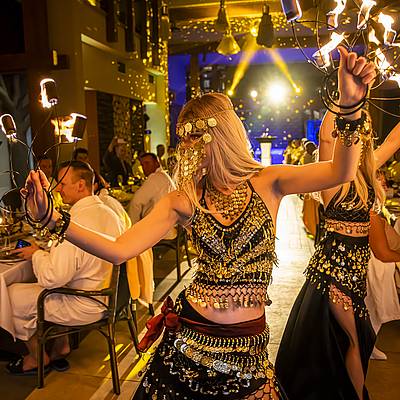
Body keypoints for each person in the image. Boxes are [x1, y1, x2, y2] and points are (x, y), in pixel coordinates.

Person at [23, 47, 374, 399]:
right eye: (184, 140)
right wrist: (53, 219)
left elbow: (340, 171)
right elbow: (118, 250)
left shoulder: (269, 181)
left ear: (218, 136)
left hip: (247, 351)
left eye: (193, 138)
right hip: (190, 345)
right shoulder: (185, 199)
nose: (186, 149)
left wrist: (349, 107)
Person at [276, 101, 400, 398]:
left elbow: (393, 141)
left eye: (363, 128)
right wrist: (344, 101)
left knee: (355, 341)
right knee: (355, 339)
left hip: (355, 275)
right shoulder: (332, 178)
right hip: (332, 272)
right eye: (353, 128)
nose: (359, 134)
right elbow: (325, 138)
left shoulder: (367, 174)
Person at [7, 161, 124, 375]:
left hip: (84, 303)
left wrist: (37, 254)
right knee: (58, 281)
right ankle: (61, 346)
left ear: (80, 185)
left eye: (62, 183)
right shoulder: (109, 212)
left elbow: (52, 278)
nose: (58, 189)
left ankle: (36, 357)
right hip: (106, 296)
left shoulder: (75, 223)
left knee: (10, 294)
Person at [366, 210, 400, 360]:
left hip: (376, 265)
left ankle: (368, 344)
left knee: (373, 309)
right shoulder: (371, 217)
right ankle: (367, 345)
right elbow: (383, 254)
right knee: (372, 308)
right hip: (375, 265)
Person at [128, 153, 175, 231]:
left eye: (147, 163)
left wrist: (132, 228)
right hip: (169, 226)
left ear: (157, 163)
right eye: (142, 165)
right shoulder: (164, 175)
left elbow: (135, 202)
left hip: (159, 230)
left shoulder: (155, 178)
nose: (144, 167)